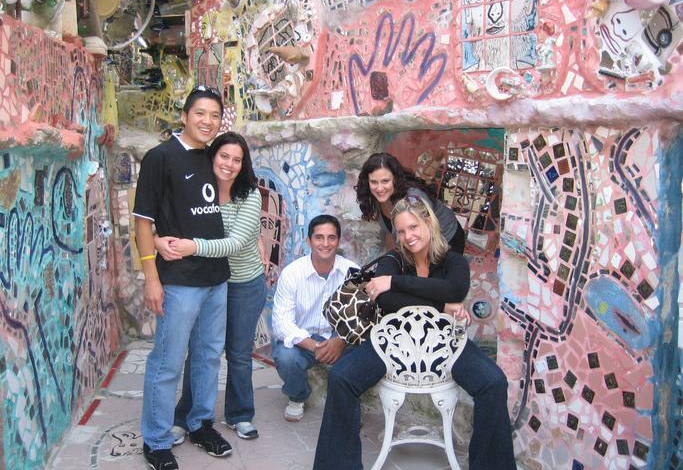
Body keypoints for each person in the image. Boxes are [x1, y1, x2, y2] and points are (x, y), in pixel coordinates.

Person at [313, 196, 515, 470]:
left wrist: (395, 282)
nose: (408, 236)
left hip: (444, 342)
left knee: (493, 383)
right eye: (401, 231)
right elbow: (386, 301)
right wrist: (441, 305)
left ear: (428, 223)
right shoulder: (393, 260)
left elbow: (454, 289)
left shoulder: (453, 261)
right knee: (341, 377)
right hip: (392, 340)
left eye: (413, 227)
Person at [134, 86, 233, 470]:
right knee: (167, 362)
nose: (207, 121)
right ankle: (157, 440)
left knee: (208, 357)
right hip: (178, 281)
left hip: (216, 277)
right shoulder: (160, 157)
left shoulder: (216, 156)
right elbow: (143, 222)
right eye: (200, 113)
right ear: (184, 116)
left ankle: (200, 424)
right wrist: (151, 277)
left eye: (214, 115)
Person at [155, 132, 267, 441]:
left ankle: (240, 414)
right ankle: (186, 416)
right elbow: (164, 219)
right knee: (200, 352)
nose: (229, 164)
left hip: (243, 283)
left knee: (239, 354)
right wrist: (156, 239)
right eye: (224, 156)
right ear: (212, 156)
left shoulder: (250, 195)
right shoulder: (198, 190)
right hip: (206, 283)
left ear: (243, 165)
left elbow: (235, 243)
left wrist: (192, 246)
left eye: (237, 159)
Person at [271, 215, 358, 422]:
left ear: (338, 241)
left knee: (366, 352)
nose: (325, 244)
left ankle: (349, 404)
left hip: (339, 338)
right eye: (319, 237)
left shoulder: (352, 272)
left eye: (331, 238)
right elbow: (281, 323)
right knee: (285, 357)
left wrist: (340, 340)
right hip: (304, 341)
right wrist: (314, 346)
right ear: (309, 241)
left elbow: (360, 317)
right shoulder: (292, 274)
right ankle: (297, 396)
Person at [355, 152, 466, 254]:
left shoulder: (413, 198)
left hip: (446, 238)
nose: (379, 188)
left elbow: (421, 239)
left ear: (395, 179)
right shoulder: (375, 197)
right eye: (374, 182)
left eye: (385, 181)